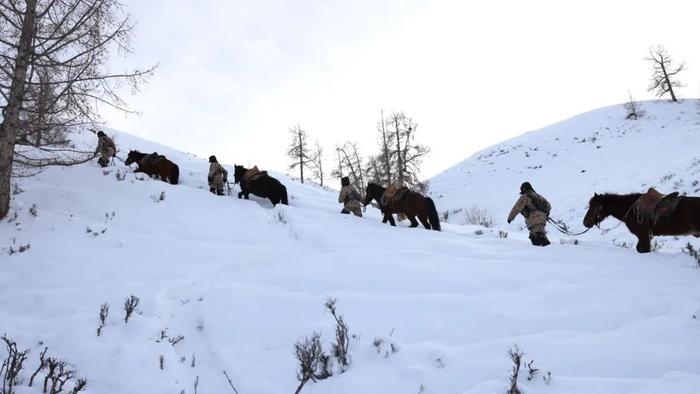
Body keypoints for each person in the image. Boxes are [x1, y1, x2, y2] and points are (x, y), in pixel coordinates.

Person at [507, 182, 551, 246]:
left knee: (535, 236)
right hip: (542, 219)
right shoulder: (538, 196)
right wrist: (546, 213)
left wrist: (510, 218)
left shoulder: (525, 196)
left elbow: (517, 207)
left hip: (533, 218)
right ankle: (548, 250)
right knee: (541, 235)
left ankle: (539, 253)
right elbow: (548, 206)